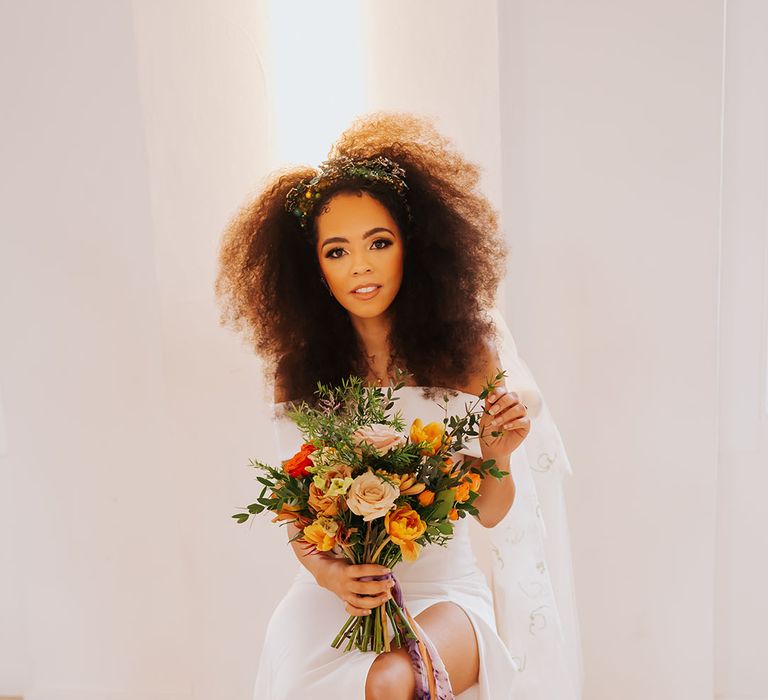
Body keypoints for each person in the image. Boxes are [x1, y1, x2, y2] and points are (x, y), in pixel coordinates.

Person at [215, 112, 584, 699]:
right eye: (336, 251)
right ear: (312, 268)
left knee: (391, 681)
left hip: (446, 592)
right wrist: (332, 574)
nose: (360, 265)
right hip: (336, 594)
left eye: (378, 243)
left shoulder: (469, 356)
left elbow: (490, 515)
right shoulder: (300, 372)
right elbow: (298, 509)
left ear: (415, 247)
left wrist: (497, 457)